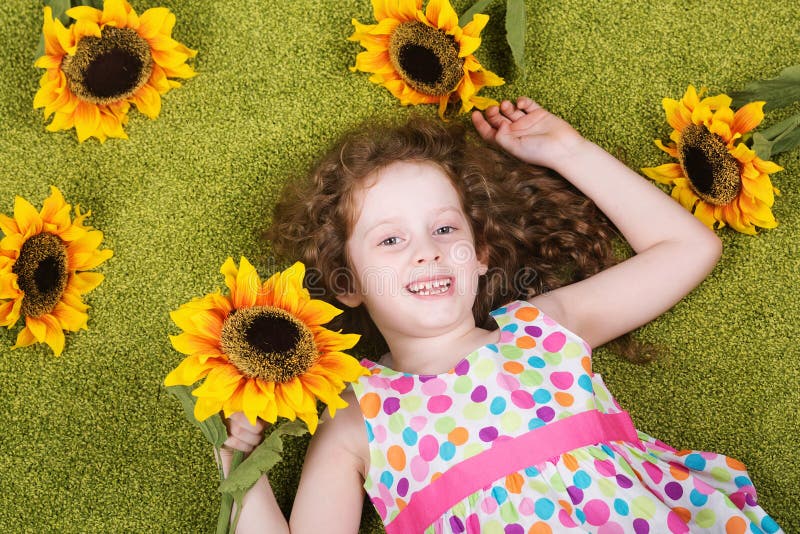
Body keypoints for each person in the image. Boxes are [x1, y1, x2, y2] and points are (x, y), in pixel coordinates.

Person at [220, 98, 783, 533]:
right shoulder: (355, 419)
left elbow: (688, 249)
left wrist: (568, 150)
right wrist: (238, 460)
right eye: (390, 239)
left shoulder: (545, 328)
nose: (427, 251)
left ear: (481, 252)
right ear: (347, 282)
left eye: (445, 229)